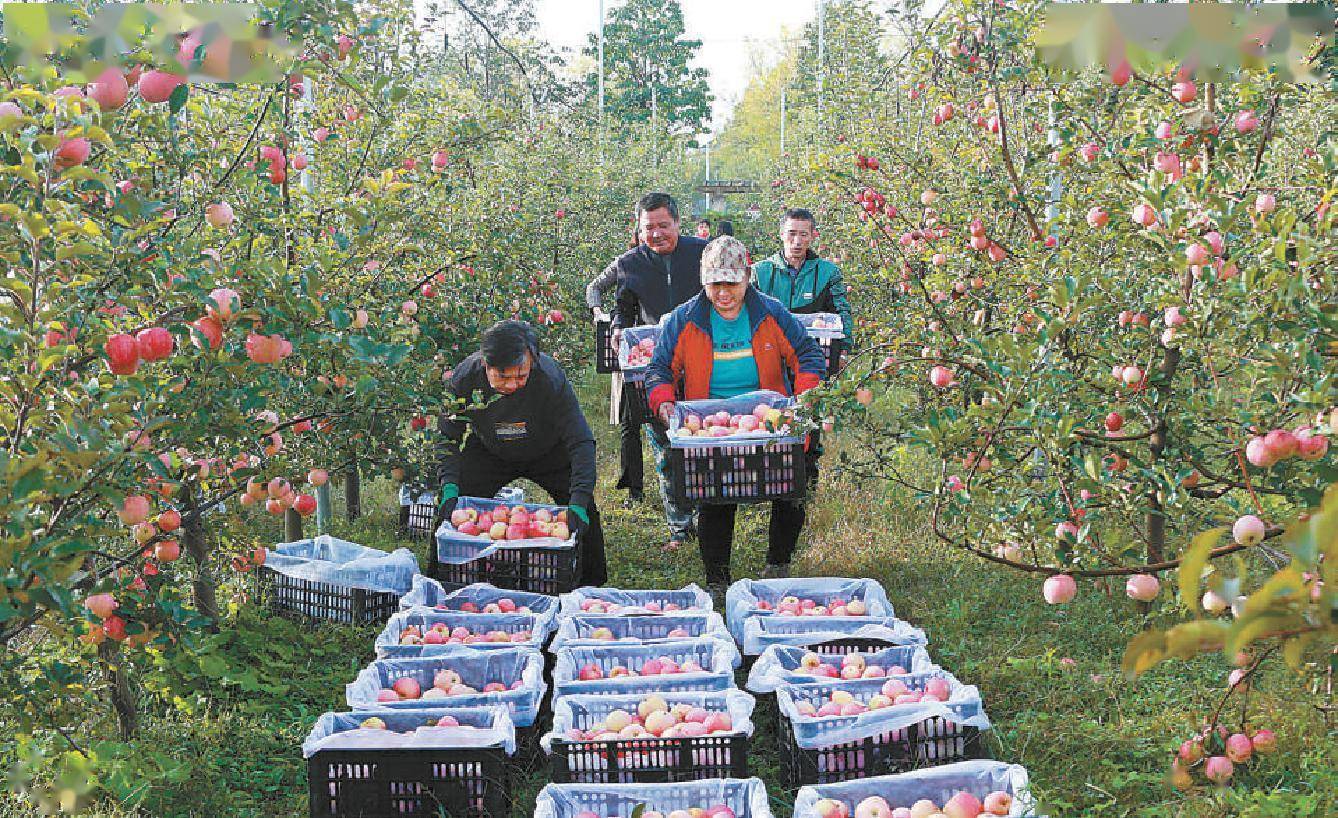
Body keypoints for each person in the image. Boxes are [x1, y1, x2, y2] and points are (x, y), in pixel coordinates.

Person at [645, 236, 827, 593]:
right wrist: (664, 402)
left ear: (747, 279)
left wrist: (803, 400)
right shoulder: (685, 319)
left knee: (788, 488)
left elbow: (807, 355)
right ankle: (717, 577)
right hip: (712, 424)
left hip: (768, 421)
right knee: (715, 497)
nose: (724, 293)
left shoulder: (770, 313)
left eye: (732, 284)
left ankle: (778, 564)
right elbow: (659, 369)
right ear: (704, 282)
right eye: (715, 285)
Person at [434, 320, 608, 585]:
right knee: (452, 512)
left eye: (521, 376)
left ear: (533, 362)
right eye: (502, 377)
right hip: (490, 450)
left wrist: (580, 499)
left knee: (583, 516)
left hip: (548, 451)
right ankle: (443, 581)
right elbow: (447, 435)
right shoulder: (465, 378)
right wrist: (448, 486)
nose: (512, 384)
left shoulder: (550, 378)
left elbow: (580, 440)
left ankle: (589, 587)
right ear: (485, 364)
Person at [595, 192, 707, 551]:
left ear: (677, 223)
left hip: (702, 360)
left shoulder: (701, 253)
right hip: (654, 365)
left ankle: (708, 520)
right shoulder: (631, 263)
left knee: (702, 443)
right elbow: (624, 308)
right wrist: (617, 329)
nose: (657, 234)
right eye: (649, 228)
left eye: (663, 225)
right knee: (665, 447)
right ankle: (679, 526)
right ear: (639, 229)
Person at [751, 208, 854, 349]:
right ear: (781, 234)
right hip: (769, 352)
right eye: (791, 234)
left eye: (803, 234)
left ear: (812, 236)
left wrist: (844, 349)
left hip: (813, 353)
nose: (797, 241)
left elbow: (842, 312)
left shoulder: (828, 273)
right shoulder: (760, 272)